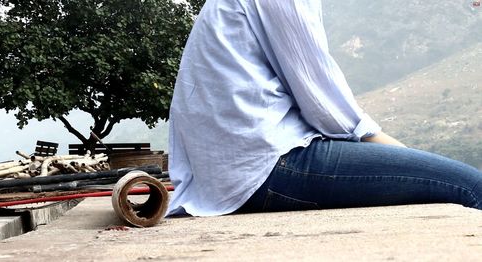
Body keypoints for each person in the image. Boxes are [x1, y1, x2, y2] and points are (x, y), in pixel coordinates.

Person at [166, 0, 482, 216]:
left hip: (225, 174)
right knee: (469, 186)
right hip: (263, 168)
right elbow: (324, 106)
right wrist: (406, 154)